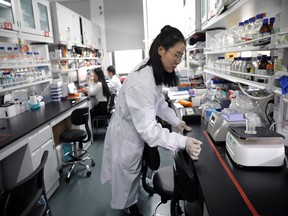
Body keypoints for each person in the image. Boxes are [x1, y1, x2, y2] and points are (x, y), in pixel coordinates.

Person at [100, 25, 202, 215]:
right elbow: (149, 130)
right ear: (161, 50)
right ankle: (128, 209)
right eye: (177, 55)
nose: (178, 61)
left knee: (132, 175)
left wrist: (176, 122)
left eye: (181, 56)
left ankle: (131, 203)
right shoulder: (142, 81)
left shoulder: (152, 68)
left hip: (133, 131)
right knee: (126, 180)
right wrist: (183, 141)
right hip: (127, 135)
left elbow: (159, 103)